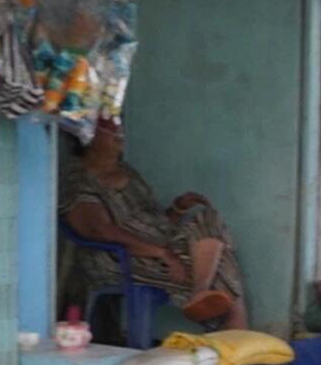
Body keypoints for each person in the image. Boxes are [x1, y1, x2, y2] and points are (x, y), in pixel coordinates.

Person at [61, 115, 248, 330]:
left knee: (208, 218)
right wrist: (162, 253)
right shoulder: (79, 180)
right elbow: (98, 230)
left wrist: (178, 208)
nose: (119, 133)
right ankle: (235, 326)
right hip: (121, 257)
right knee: (216, 259)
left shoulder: (127, 172)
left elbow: (155, 220)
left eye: (119, 127)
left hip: (163, 244)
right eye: (110, 128)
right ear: (88, 137)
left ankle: (202, 292)